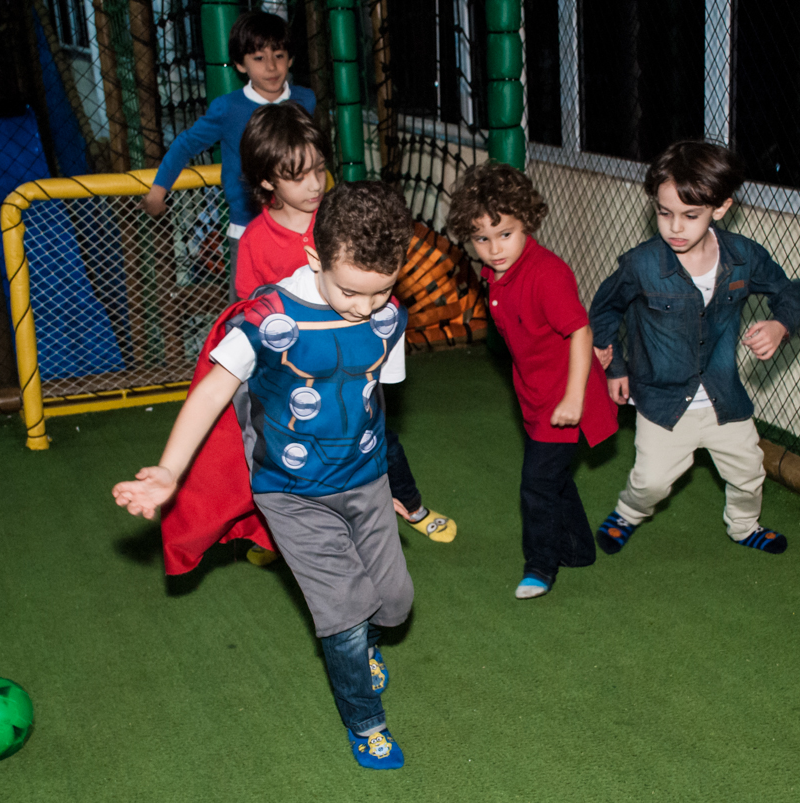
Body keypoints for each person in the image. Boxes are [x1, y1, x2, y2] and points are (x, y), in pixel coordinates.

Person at [114, 182, 415, 770]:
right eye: (351, 291)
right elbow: (212, 393)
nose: (365, 307)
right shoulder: (267, 320)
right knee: (345, 612)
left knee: (395, 603)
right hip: (292, 492)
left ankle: (364, 647)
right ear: (314, 257)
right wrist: (170, 471)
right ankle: (367, 722)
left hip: (366, 479)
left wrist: (396, 488)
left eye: (382, 290)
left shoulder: (388, 317)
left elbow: (374, 403)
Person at [236, 102, 457, 561]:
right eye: (298, 176)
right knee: (282, 453)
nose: (315, 184)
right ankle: (282, 531)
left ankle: (410, 504)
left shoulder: (341, 219)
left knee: (379, 439)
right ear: (267, 181)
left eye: (319, 168)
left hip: (355, 363)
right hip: (298, 377)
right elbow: (250, 313)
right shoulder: (257, 240)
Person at [589, 140, 800, 556]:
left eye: (690, 215)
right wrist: (615, 366)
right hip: (662, 399)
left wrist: (780, 325)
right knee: (651, 482)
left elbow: (788, 293)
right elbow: (604, 311)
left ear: (720, 208)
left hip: (724, 400)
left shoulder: (743, 257)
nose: (675, 227)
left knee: (749, 472)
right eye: (664, 212)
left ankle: (744, 527)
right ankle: (628, 513)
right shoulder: (640, 265)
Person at [447, 163, 617, 600]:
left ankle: (540, 566)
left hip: (565, 397)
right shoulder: (495, 274)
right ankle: (577, 549)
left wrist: (574, 399)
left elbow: (581, 332)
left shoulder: (547, 274)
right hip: (534, 396)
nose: (494, 249)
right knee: (554, 478)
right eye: (481, 239)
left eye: (505, 234)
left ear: (526, 222)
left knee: (537, 484)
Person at [140, 11, 316, 301]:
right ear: (240, 64)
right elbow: (185, 145)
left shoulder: (305, 100)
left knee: (310, 298)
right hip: (247, 225)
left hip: (301, 225)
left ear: (291, 58)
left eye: (279, 55)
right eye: (258, 58)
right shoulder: (228, 108)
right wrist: (158, 191)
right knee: (248, 308)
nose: (271, 66)